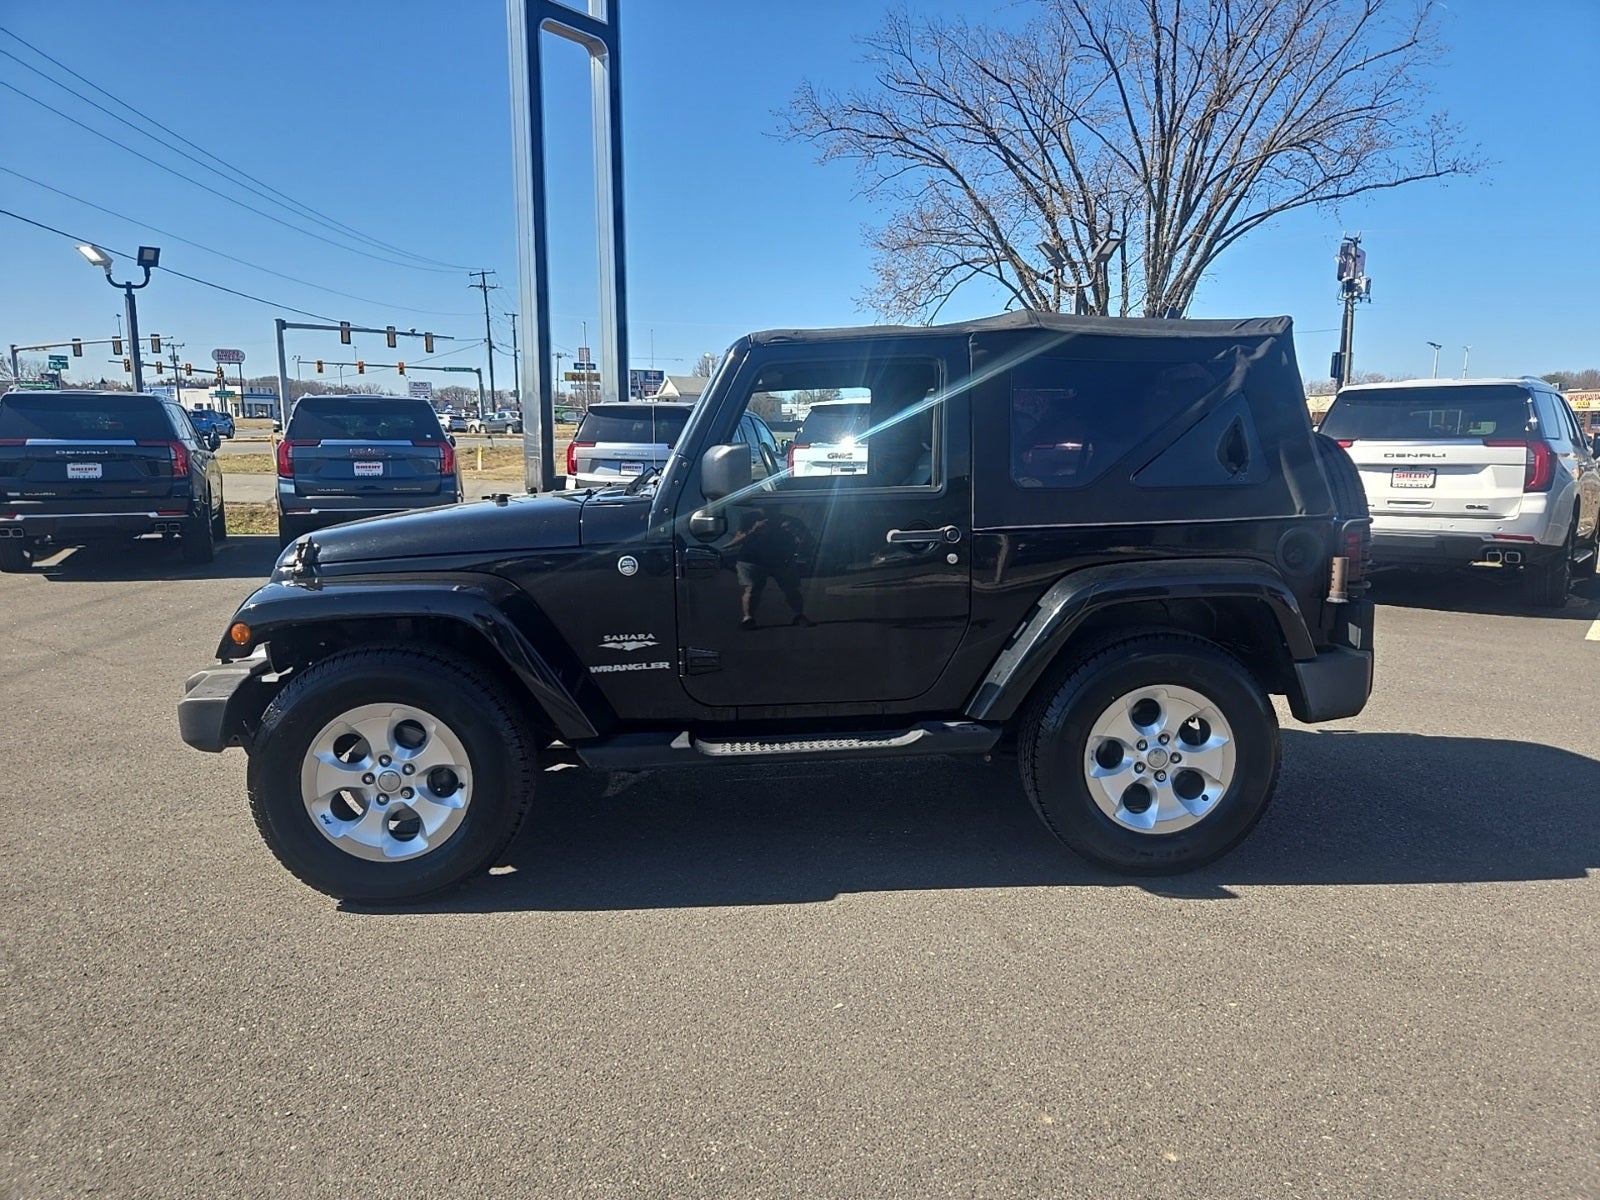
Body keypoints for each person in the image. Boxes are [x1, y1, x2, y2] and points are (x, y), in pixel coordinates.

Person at [723, 506, 811, 629]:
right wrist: (753, 529)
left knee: (791, 588)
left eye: (773, 505)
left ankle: (799, 615)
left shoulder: (791, 521)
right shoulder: (749, 518)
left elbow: (807, 540)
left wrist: (793, 532)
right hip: (751, 559)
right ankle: (748, 618)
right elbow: (734, 542)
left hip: (781, 559)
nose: (769, 509)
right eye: (764, 505)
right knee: (752, 589)